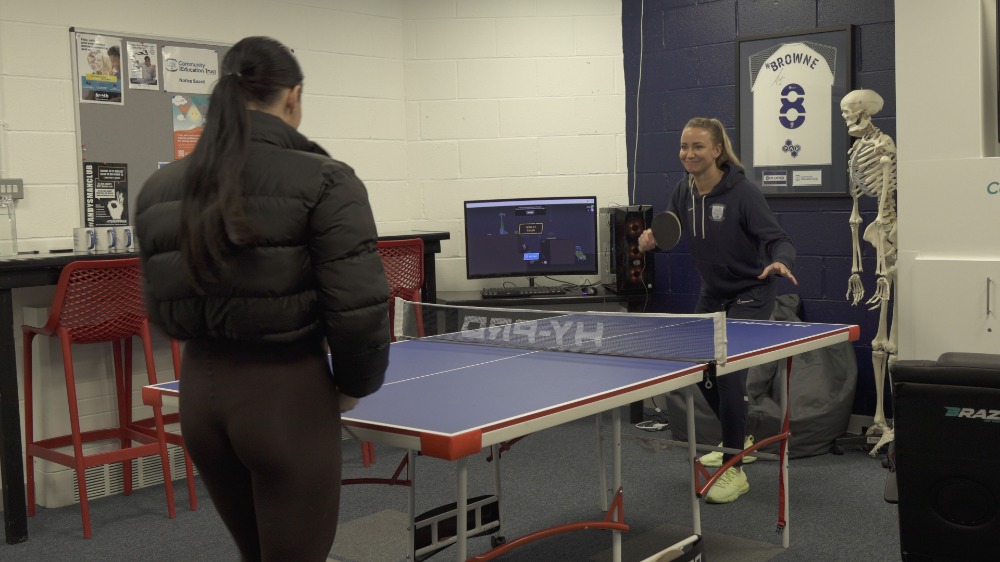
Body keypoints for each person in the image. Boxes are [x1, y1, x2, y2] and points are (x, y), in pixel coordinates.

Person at [136, 36, 391, 561]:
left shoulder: (161, 188)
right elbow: (358, 308)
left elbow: (161, 308)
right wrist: (352, 386)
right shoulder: (326, 179)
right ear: (293, 96)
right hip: (285, 398)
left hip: (200, 398)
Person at [638, 117, 797, 504]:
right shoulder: (683, 190)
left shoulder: (743, 192)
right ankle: (740, 438)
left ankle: (735, 470)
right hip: (714, 291)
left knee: (727, 373)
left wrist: (780, 261)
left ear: (717, 151)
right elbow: (669, 231)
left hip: (752, 290)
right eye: (684, 146)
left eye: (697, 146)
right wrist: (651, 240)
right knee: (697, 364)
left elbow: (778, 239)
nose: (688, 153)